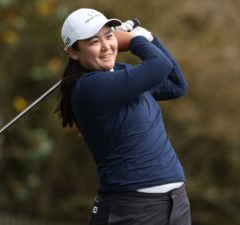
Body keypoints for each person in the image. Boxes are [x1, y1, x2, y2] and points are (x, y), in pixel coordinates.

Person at [55, 8, 191, 225]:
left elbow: (177, 85)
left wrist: (151, 40)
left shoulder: (121, 73)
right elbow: (160, 65)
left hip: (175, 202)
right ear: (73, 52)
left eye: (109, 36)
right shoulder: (89, 88)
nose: (107, 46)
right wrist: (138, 41)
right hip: (131, 209)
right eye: (93, 42)